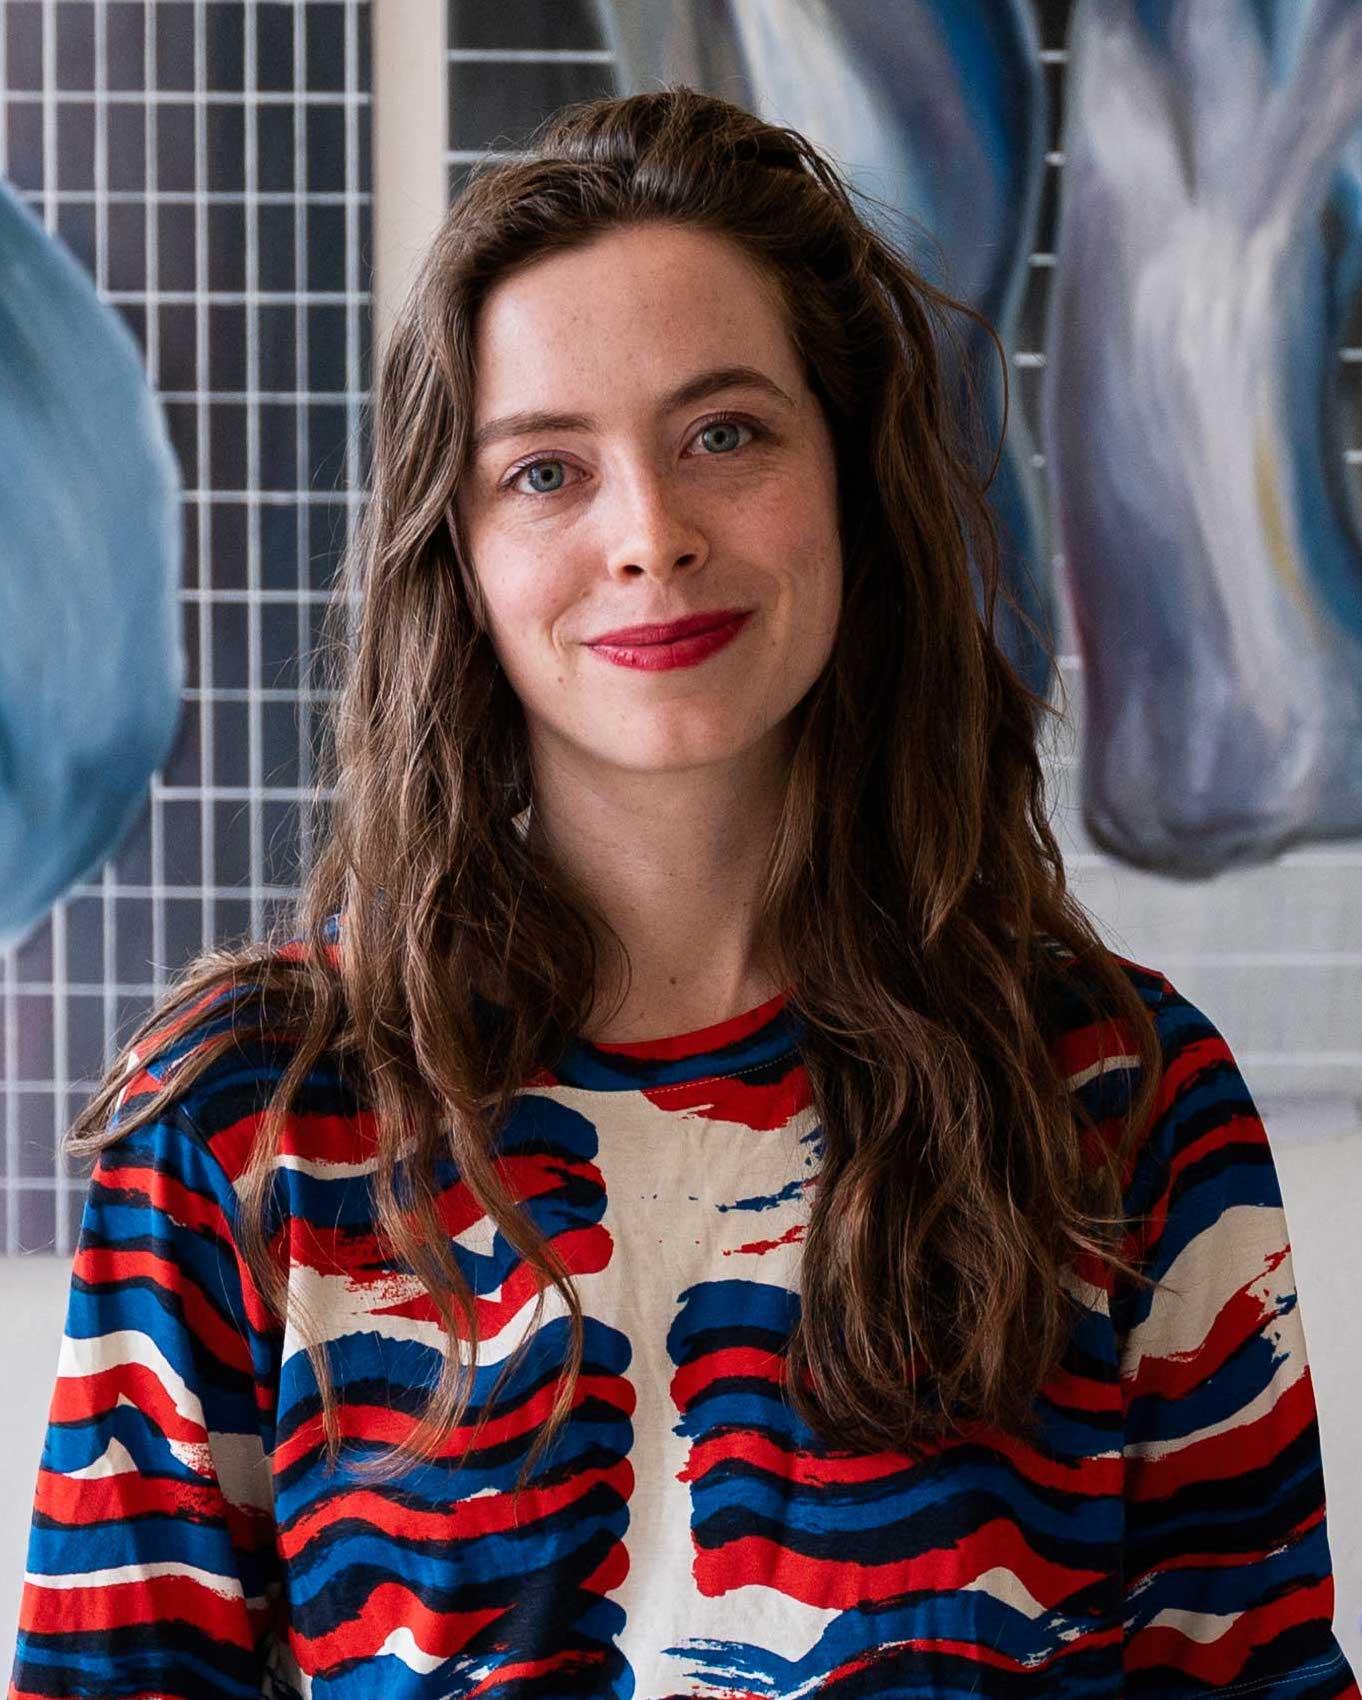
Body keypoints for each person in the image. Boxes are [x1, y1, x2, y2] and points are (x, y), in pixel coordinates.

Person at [7, 85, 1357, 1700]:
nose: (649, 535)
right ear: (460, 556)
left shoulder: (1120, 1094)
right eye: (545, 472)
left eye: (725, 434)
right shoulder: (250, 1112)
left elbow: (1258, 1671)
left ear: (853, 482)